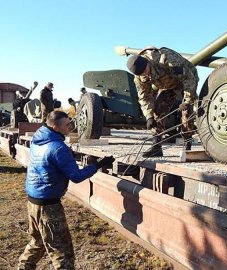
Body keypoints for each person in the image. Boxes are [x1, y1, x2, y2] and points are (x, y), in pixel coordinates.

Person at [17, 111, 115, 270]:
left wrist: (70, 155)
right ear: (55, 127)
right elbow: (76, 176)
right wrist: (98, 165)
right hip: (49, 208)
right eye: (67, 124)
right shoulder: (58, 147)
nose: (71, 126)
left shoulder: (39, 139)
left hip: (33, 202)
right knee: (62, 252)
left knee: (37, 243)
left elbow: (50, 161)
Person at [126, 47, 199, 157]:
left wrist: (187, 100)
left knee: (186, 112)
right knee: (158, 111)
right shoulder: (140, 77)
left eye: (146, 70)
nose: (146, 75)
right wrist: (148, 116)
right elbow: (145, 97)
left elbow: (189, 78)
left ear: (147, 62)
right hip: (167, 86)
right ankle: (156, 147)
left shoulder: (166, 58)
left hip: (186, 81)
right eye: (142, 74)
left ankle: (187, 146)